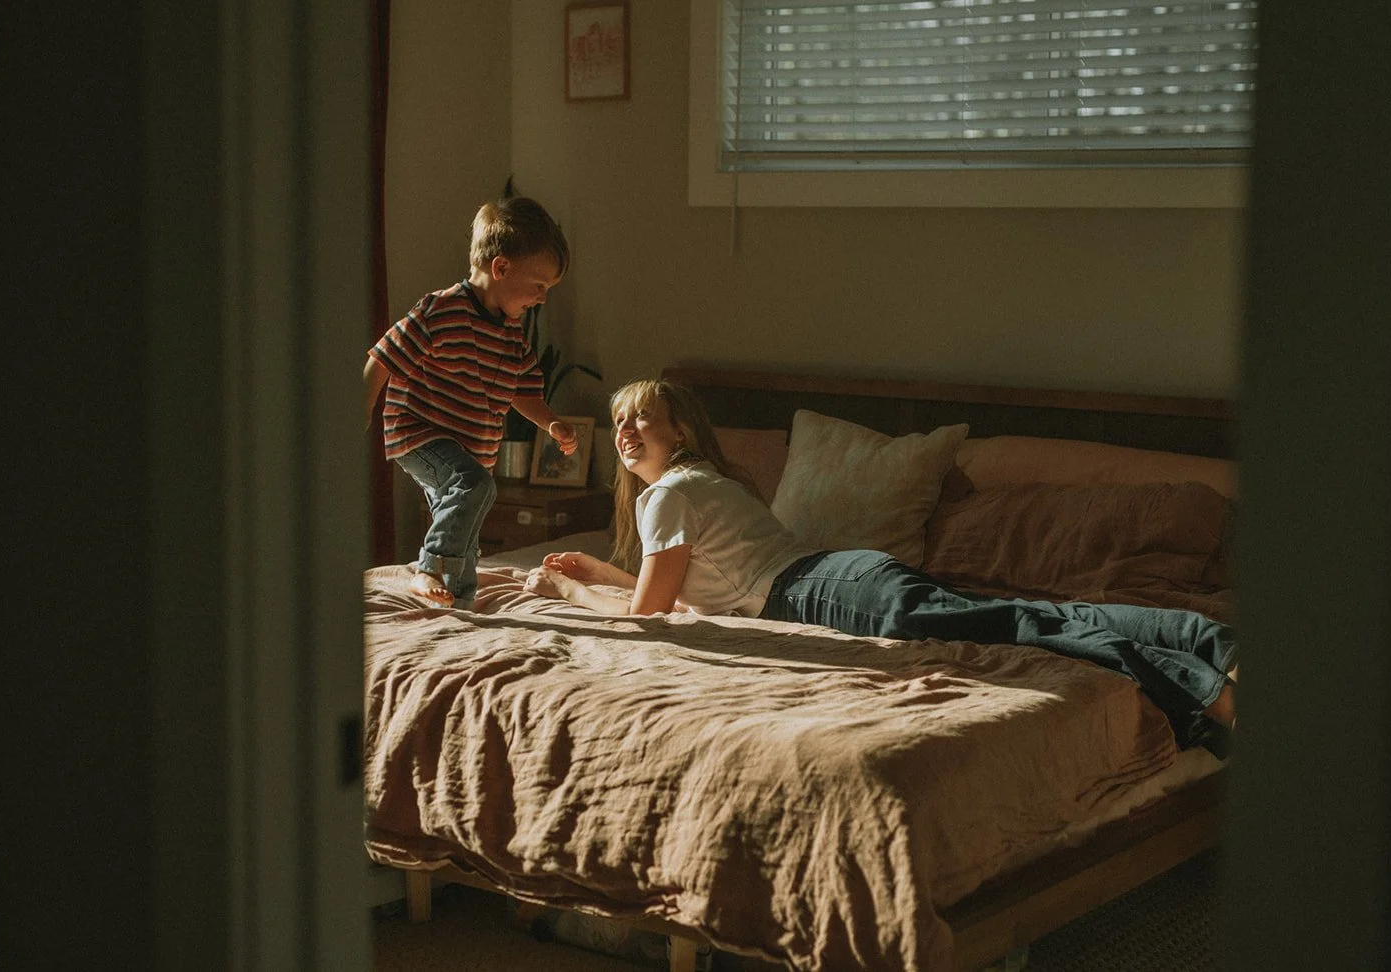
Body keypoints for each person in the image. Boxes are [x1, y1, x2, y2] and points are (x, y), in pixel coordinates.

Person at [527, 379, 1238, 756]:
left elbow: (652, 618)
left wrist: (567, 589)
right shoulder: (703, 484)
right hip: (846, 578)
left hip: (824, 598)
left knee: (1024, 628)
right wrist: (598, 570)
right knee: (1033, 617)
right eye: (618, 421)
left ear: (676, 429)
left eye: (638, 420)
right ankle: (1202, 638)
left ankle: (1203, 687)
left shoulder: (668, 496)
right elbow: (678, 589)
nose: (623, 433)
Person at [365, 196, 579, 609]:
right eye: (539, 286)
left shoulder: (512, 335)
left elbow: (523, 391)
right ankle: (428, 568)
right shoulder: (441, 310)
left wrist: (551, 422)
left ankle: (457, 603)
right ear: (500, 268)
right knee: (475, 485)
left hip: (471, 447)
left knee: (468, 521)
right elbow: (382, 357)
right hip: (420, 431)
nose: (542, 299)